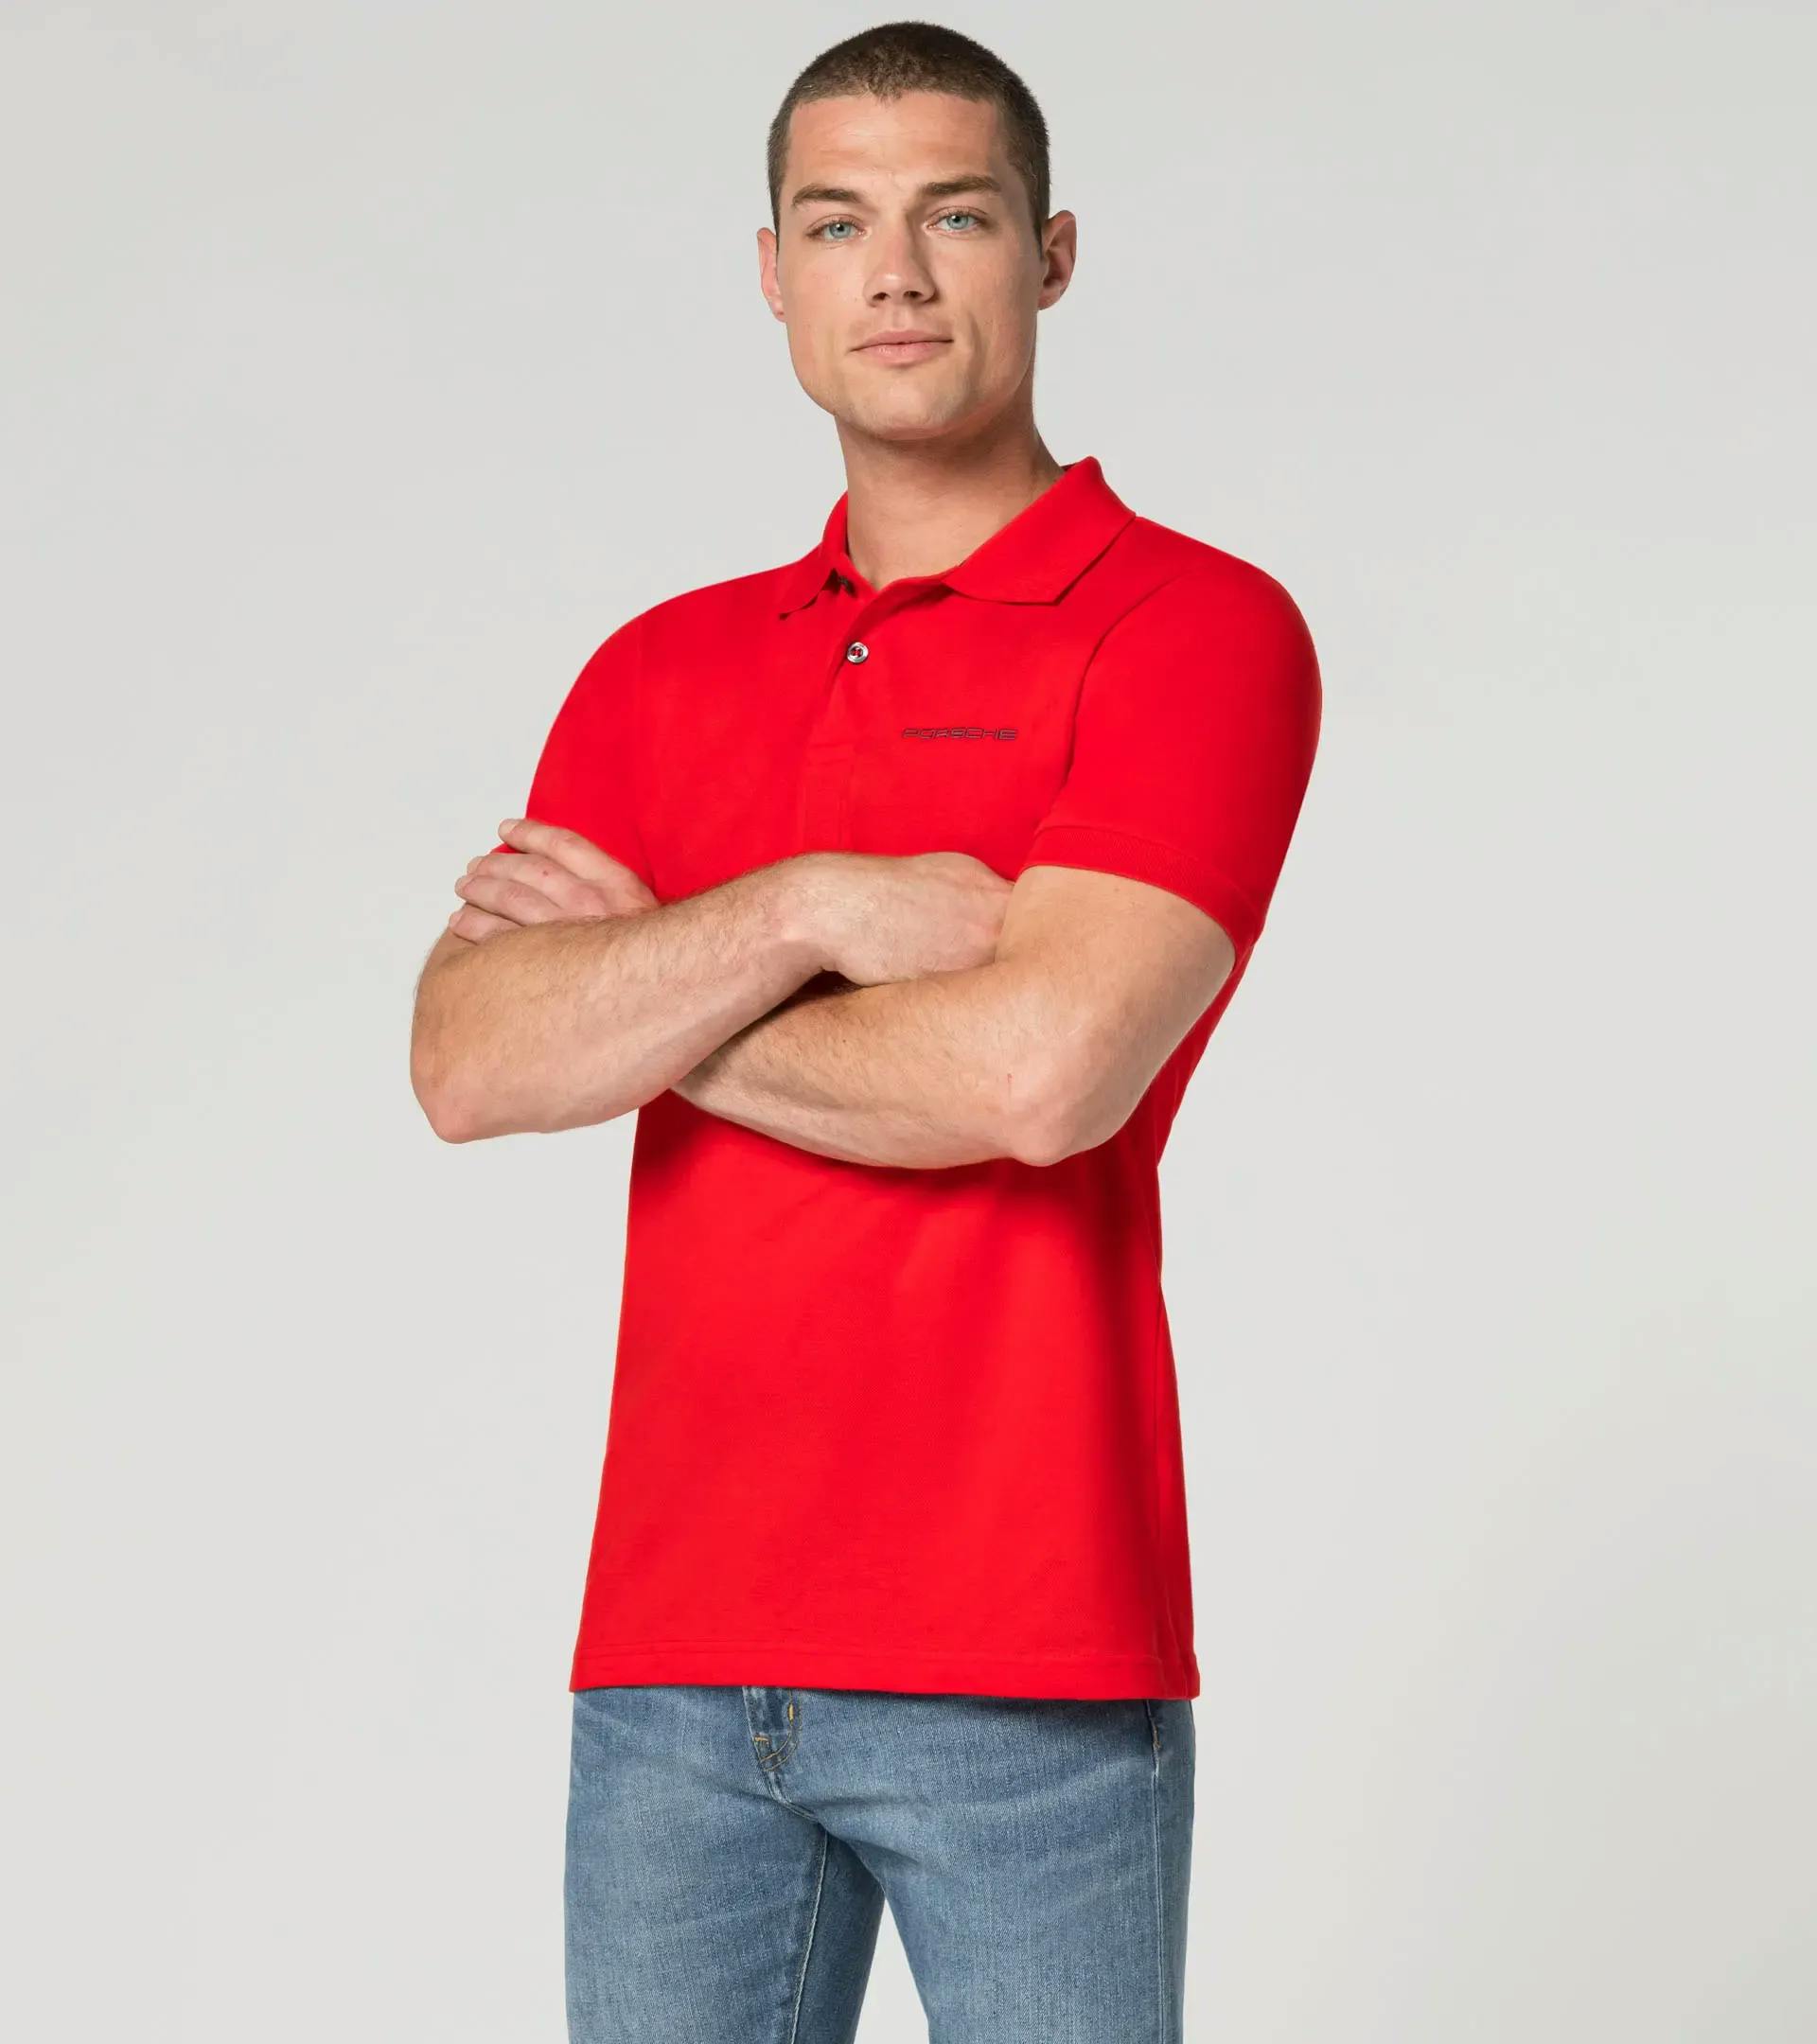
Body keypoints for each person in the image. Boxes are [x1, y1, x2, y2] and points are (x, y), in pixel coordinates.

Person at [410, 21, 1321, 2042]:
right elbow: (470, 1064)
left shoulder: (1190, 631)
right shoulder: (656, 671)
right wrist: (808, 909)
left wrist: (653, 1002)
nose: (894, 274)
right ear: (773, 274)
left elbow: (1038, 1075)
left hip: (1027, 1662)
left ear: (1050, 253)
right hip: (671, 1663)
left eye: (954, 217)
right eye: (836, 224)